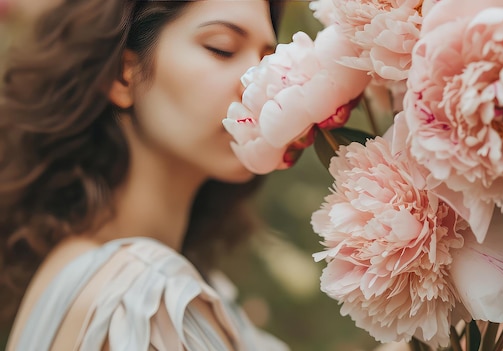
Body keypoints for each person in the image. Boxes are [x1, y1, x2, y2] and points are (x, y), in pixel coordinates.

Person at [0, 0, 289, 350]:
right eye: (222, 49)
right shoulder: (138, 298)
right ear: (124, 75)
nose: (258, 87)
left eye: (267, 61)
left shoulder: (131, 275)